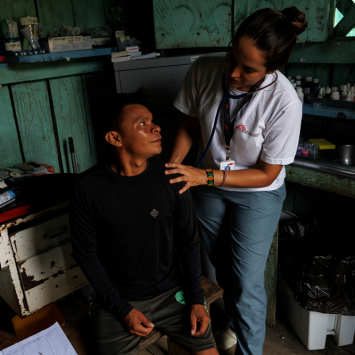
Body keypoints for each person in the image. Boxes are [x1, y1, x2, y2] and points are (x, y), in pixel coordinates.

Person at [165, 7, 307, 355]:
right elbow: (188, 123)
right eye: (232, 57)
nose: (232, 72)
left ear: (272, 69)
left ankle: (249, 351)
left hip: (257, 192)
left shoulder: (284, 101)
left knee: (246, 283)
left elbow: (268, 172)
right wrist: (172, 167)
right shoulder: (203, 69)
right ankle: (232, 324)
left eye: (248, 69)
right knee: (223, 268)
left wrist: (205, 175)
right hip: (208, 186)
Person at [69, 89, 218, 355]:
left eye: (152, 121)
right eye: (142, 124)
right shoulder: (88, 188)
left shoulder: (172, 178)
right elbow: (86, 254)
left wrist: (197, 298)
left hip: (172, 293)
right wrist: (121, 309)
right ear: (115, 138)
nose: (155, 127)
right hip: (116, 299)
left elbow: (189, 241)